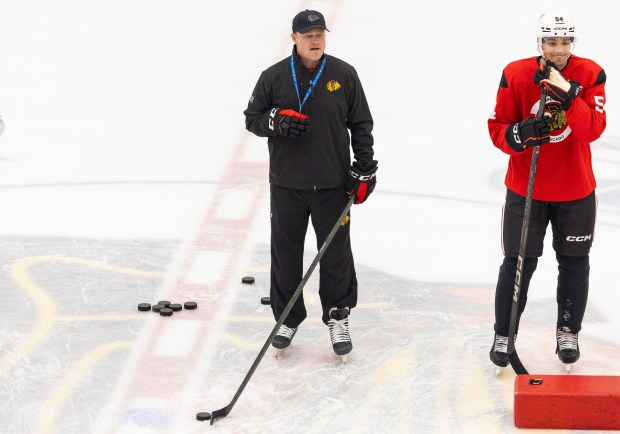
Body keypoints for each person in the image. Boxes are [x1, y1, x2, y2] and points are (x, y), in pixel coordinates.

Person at [244, 9, 377, 359]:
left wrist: (364, 168)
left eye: (320, 33)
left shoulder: (343, 74)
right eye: (308, 35)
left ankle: (337, 315)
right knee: (285, 255)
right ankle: (287, 317)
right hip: (287, 185)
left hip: (334, 185)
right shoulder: (273, 77)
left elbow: (361, 124)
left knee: (336, 254)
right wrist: (275, 121)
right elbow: (252, 119)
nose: (315, 40)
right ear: (294, 39)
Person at [487, 11, 606, 369]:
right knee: (518, 261)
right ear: (539, 43)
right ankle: (504, 333)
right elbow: (498, 128)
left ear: (573, 43)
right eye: (552, 42)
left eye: (565, 42)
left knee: (574, 263)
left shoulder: (590, 74)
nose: (559, 50)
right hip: (527, 190)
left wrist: (570, 96)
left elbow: (592, 130)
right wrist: (520, 134)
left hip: (575, 190)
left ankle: (568, 330)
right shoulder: (515, 73)